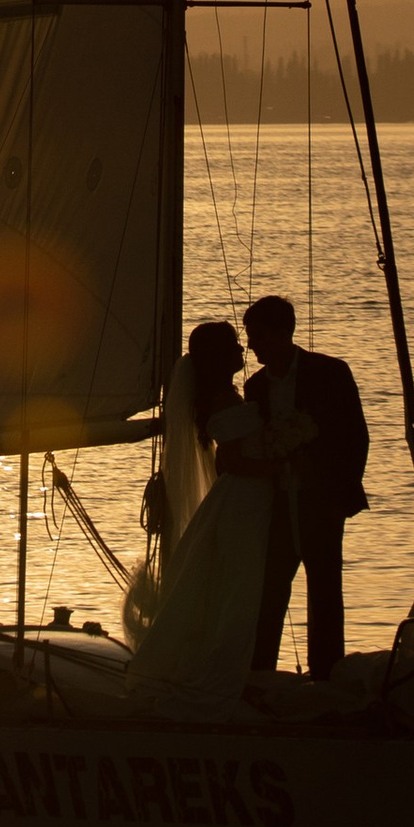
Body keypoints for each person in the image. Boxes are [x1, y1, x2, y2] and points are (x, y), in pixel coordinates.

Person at [123, 320, 313, 710]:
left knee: (237, 585)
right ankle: (221, 672)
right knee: (237, 586)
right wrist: (279, 465)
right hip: (243, 500)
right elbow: (232, 460)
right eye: (233, 346)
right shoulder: (221, 400)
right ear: (217, 356)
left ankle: (234, 666)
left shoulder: (225, 394)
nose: (241, 350)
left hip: (250, 500)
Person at [242, 292, 369, 674]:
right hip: (277, 502)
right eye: (249, 336)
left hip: (322, 499)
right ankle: (260, 670)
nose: (251, 345)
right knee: (271, 588)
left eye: (258, 336)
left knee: (325, 589)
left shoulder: (330, 372)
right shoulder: (255, 387)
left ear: (284, 332)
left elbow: (355, 437)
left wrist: (333, 487)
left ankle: (327, 672)